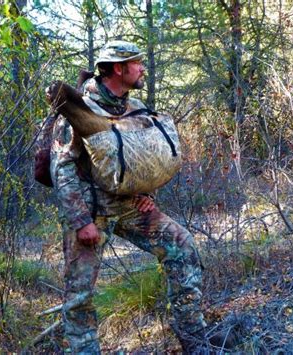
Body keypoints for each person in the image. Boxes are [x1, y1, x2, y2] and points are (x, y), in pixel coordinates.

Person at [49, 40, 233, 353]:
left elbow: (142, 158)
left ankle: (194, 339)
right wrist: (81, 221)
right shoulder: (79, 110)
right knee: (80, 294)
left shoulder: (135, 109)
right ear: (118, 69)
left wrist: (146, 193)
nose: (142, 68)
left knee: (182, 245)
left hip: (131, 207)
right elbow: (61, 168)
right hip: (90, 212)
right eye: (137, 63)